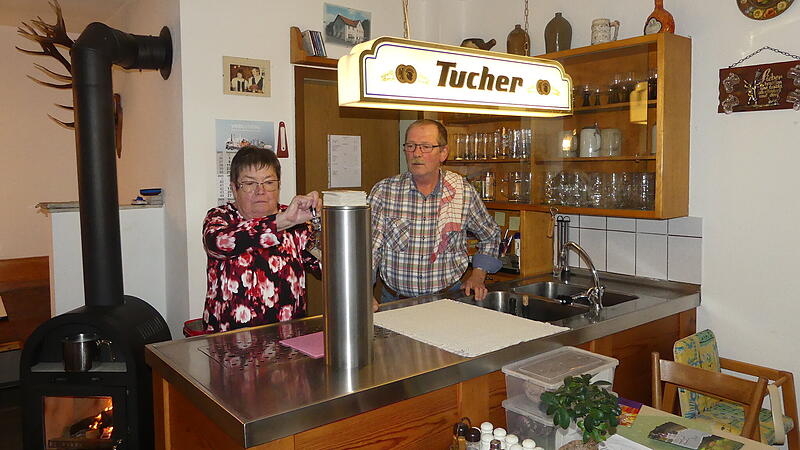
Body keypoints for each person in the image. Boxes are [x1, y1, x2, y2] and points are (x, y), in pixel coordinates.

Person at [368, 119, 501, 304]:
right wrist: (363, 290)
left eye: (425, 147)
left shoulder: (461, 191)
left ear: (443, 153)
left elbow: (491, 235)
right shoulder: (384, 191)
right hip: (396, 301)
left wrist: (478, 274)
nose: (416, 153)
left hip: (446, 299)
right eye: (411, 146)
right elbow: (368, 249)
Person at [202, 146, 321, 332]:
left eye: (269, 182)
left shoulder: (295, 220)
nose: (261, 190)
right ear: (234, 188)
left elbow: (324, 263)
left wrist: (323, 222)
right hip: (229, 343)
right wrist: (283, 221)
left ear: (279, 185)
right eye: (249, 184)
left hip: (289, 338)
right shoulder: (220, 218)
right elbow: (219, 243)